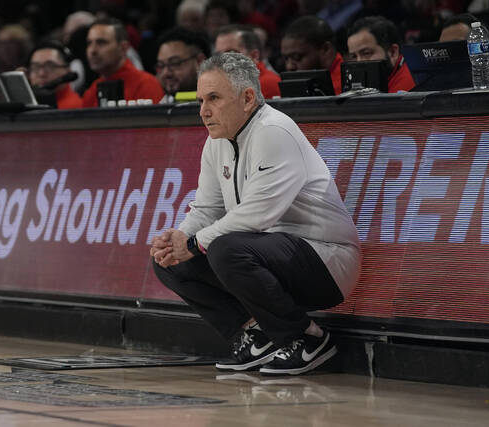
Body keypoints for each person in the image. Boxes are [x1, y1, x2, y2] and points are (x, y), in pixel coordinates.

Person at [150, 52, 360, 375]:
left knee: (223, 248)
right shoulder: (216, 141)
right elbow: (206, 208)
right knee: (169, 261)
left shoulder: (274, 131)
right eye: (201, 100)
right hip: (267, 253)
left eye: (214, 99)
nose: (204, 111)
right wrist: (179, 237)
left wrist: (193, 244)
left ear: (247, 98)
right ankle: (255, 335)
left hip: (326, 260)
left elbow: (256, 216)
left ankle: (306, 338)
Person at [82, 18, 164, 107]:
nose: (92, 50)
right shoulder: (92, 90)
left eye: (101, 42)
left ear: (123, 48)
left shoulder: (146, 85)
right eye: (89, 43)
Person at [347, 16, 415, 93]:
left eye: (366, 53)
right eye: (354, 56)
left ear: (393, 52)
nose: (359, 62)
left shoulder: (410, 88)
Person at [280, 15, 344, 94]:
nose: (289, 66)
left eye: (297, 57)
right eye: (286, 59)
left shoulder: (344, 89)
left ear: (325, 49)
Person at [214, 24, 281, 98]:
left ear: (254, 56)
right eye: (218, 55)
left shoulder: (268, 83)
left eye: (231, 53)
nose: (222, 60)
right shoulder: (219, 84)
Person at [155, 27, 210, 104]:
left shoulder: (219, 105)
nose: (166, 73)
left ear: (200, 61)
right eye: (161, 65)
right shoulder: (160, 106)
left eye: (175, 63)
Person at [28, 40, 82, 110]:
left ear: (68, 70)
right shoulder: (24, 105)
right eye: (35, 67)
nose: (41, 74)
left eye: (50, 66)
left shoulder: (78, 107)